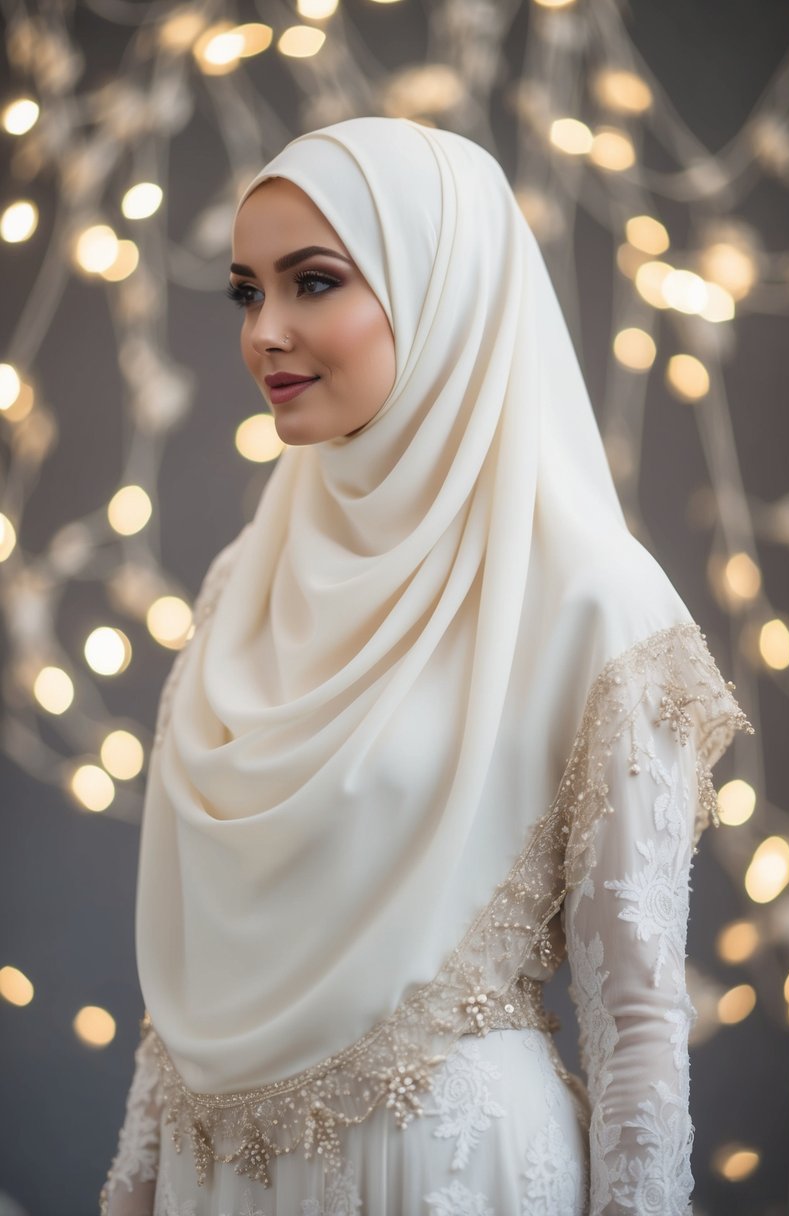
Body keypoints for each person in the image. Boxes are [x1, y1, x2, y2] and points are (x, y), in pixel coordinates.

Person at [99, 116, 753, 1216]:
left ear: (446, 287)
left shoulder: (591, 596)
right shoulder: (244, 583)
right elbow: (187, 993)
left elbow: (637, 1018)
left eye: (314, 281)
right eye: (247, 292)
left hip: (446, 1175)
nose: (267, 331)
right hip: (221, 1185)